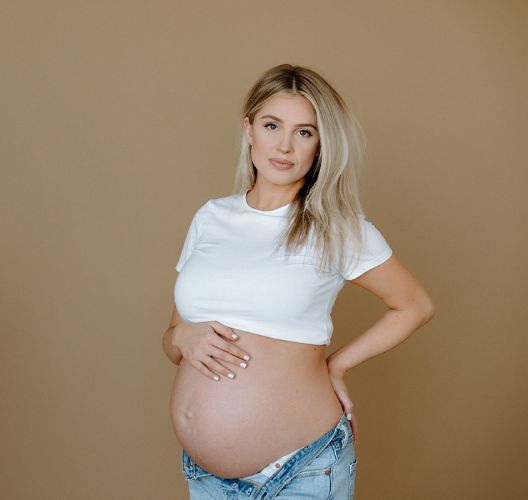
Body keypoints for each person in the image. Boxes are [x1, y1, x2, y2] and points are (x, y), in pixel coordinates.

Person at [161, 64, 435, 499]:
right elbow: (173, 337)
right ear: (249, 129)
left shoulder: (338, 228)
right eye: (273, 126)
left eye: (304, 132)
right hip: (206, 477)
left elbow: (414, 305)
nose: (285, 146)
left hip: (302, 471)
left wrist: (336, 365)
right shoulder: (210, 217)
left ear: (321, 145)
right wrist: (182, 338)